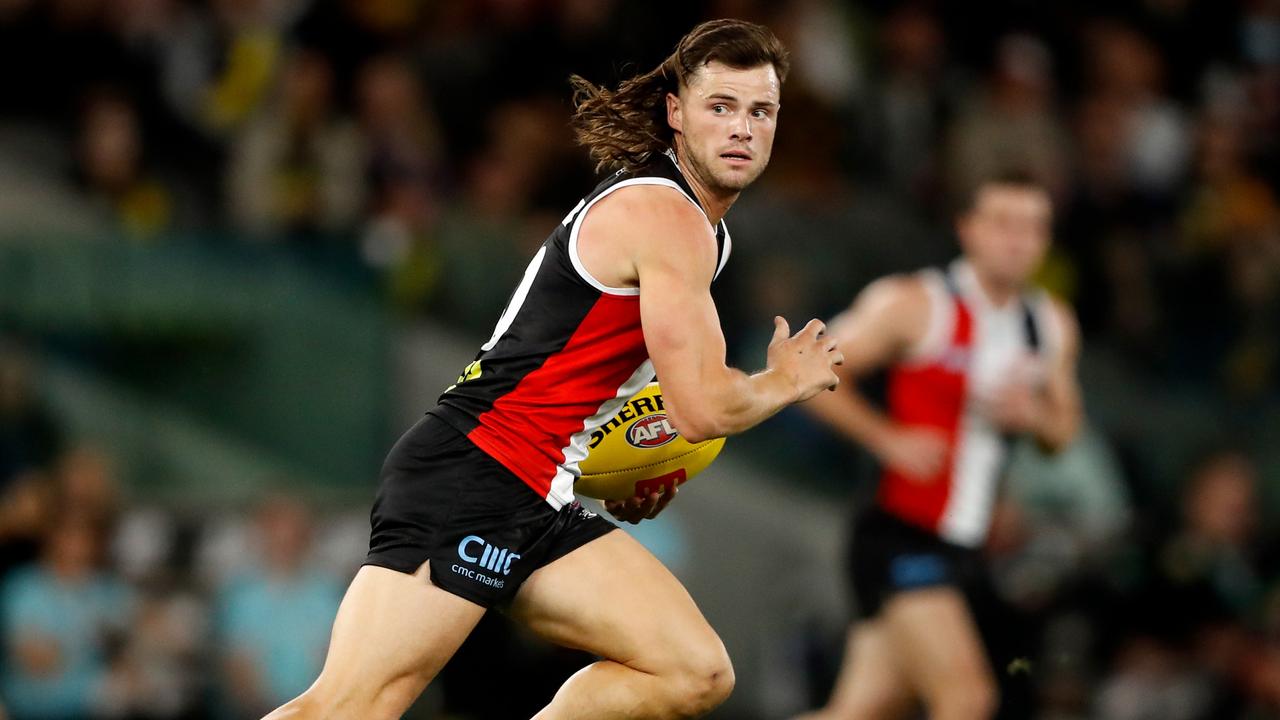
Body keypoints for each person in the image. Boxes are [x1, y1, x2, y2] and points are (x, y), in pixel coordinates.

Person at [266, 19, 842, 720]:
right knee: (348, 709)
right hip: (474, 475)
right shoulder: (667, 217)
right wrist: (784, 380)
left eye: (761, 111)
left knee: (692, 670)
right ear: (676, 113)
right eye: (721, 106)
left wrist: (636, 459)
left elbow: (606, 380)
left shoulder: (693, 225)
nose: (742, 128)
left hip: (538, 489)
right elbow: (702, 408)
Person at [795, 174, 1082, 720]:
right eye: (1003, 223)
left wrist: (1037, 416)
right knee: (967, 697)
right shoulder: (915, 303)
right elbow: (805, 372)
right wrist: (886, 437)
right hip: (898, 532)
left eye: (1033, 227)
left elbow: (1064, 434)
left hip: (963, 545)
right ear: (967, 229)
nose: (1019, 240)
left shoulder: (1050, 325)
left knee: (864, 708)